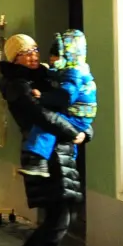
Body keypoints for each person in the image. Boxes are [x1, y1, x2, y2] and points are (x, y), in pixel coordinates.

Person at [0, 33, 86, 246]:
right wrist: (73, 132)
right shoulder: (17, 84)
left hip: (61, 152)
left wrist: (83, 129)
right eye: (26, 52)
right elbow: (42, 115)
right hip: (44, 157)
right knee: (59, 216)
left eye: (35, 48)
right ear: (15, 58)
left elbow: (68, 103)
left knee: (63, 213)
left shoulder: (44, 76)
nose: (34, 54)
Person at [20, 30, 97, 178]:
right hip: (79, 119)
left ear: (66, 54)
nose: (50, 59)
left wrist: (42, 96)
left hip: (76, 117)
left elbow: (64, 96)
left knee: (45, 128)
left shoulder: (73, 73)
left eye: (54, 55)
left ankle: (38, 162)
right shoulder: (74, 70)